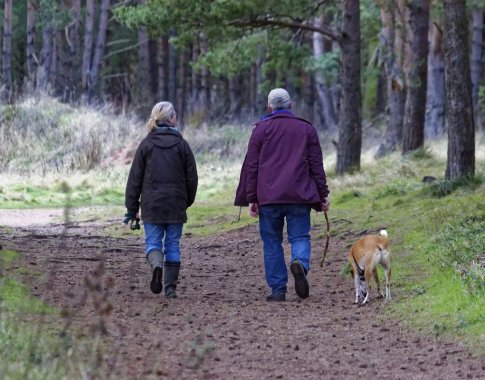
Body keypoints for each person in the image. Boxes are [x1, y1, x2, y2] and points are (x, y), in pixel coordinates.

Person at [235, 88, 330, 302]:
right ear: (291, 105)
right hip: (299, 195)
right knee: (300, 236)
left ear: (269, 107)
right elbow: (316, 165)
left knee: (271, 242)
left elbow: (252, 166)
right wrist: (323, 194)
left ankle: (278, 289)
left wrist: (251, 198)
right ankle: (300, 264)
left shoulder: (259, 130)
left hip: (269, 197)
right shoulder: (306, 129)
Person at [124, 101, 198, 298]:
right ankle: (170, 288)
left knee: (153, 243)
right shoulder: (182, 145)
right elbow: (192, 178)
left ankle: (156, 266)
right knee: (173, 244)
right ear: (171, 119)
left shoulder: (146, 145)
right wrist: (186, 201)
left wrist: (132, 208)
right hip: (175, 204)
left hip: (152, 204)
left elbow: (135, 179)